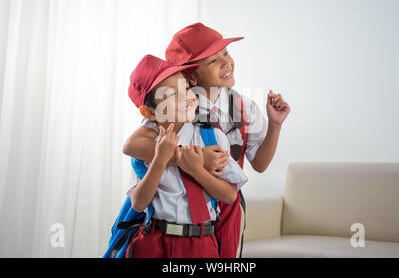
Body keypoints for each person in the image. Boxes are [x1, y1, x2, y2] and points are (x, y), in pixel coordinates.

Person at [123, 23, 291, 257]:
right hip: (172, 214)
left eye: (226, 53)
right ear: (190, 75)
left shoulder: (243, 107)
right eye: (212, 61)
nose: (226, 63)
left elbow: (260, 164)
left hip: (224, 200)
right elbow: (133, 145)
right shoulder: (176, 109)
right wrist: (198, 160)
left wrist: (275, 125)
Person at [125, 54, 248, 258]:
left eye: (186, 89)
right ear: (150, 113)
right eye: (172, 96)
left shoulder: (212, 137)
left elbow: (229, 195)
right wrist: (160, 159)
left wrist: (196, 169)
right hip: (154, 240)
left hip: (201, 242)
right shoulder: (147, 147)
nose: (185, 97)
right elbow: (138, 203)